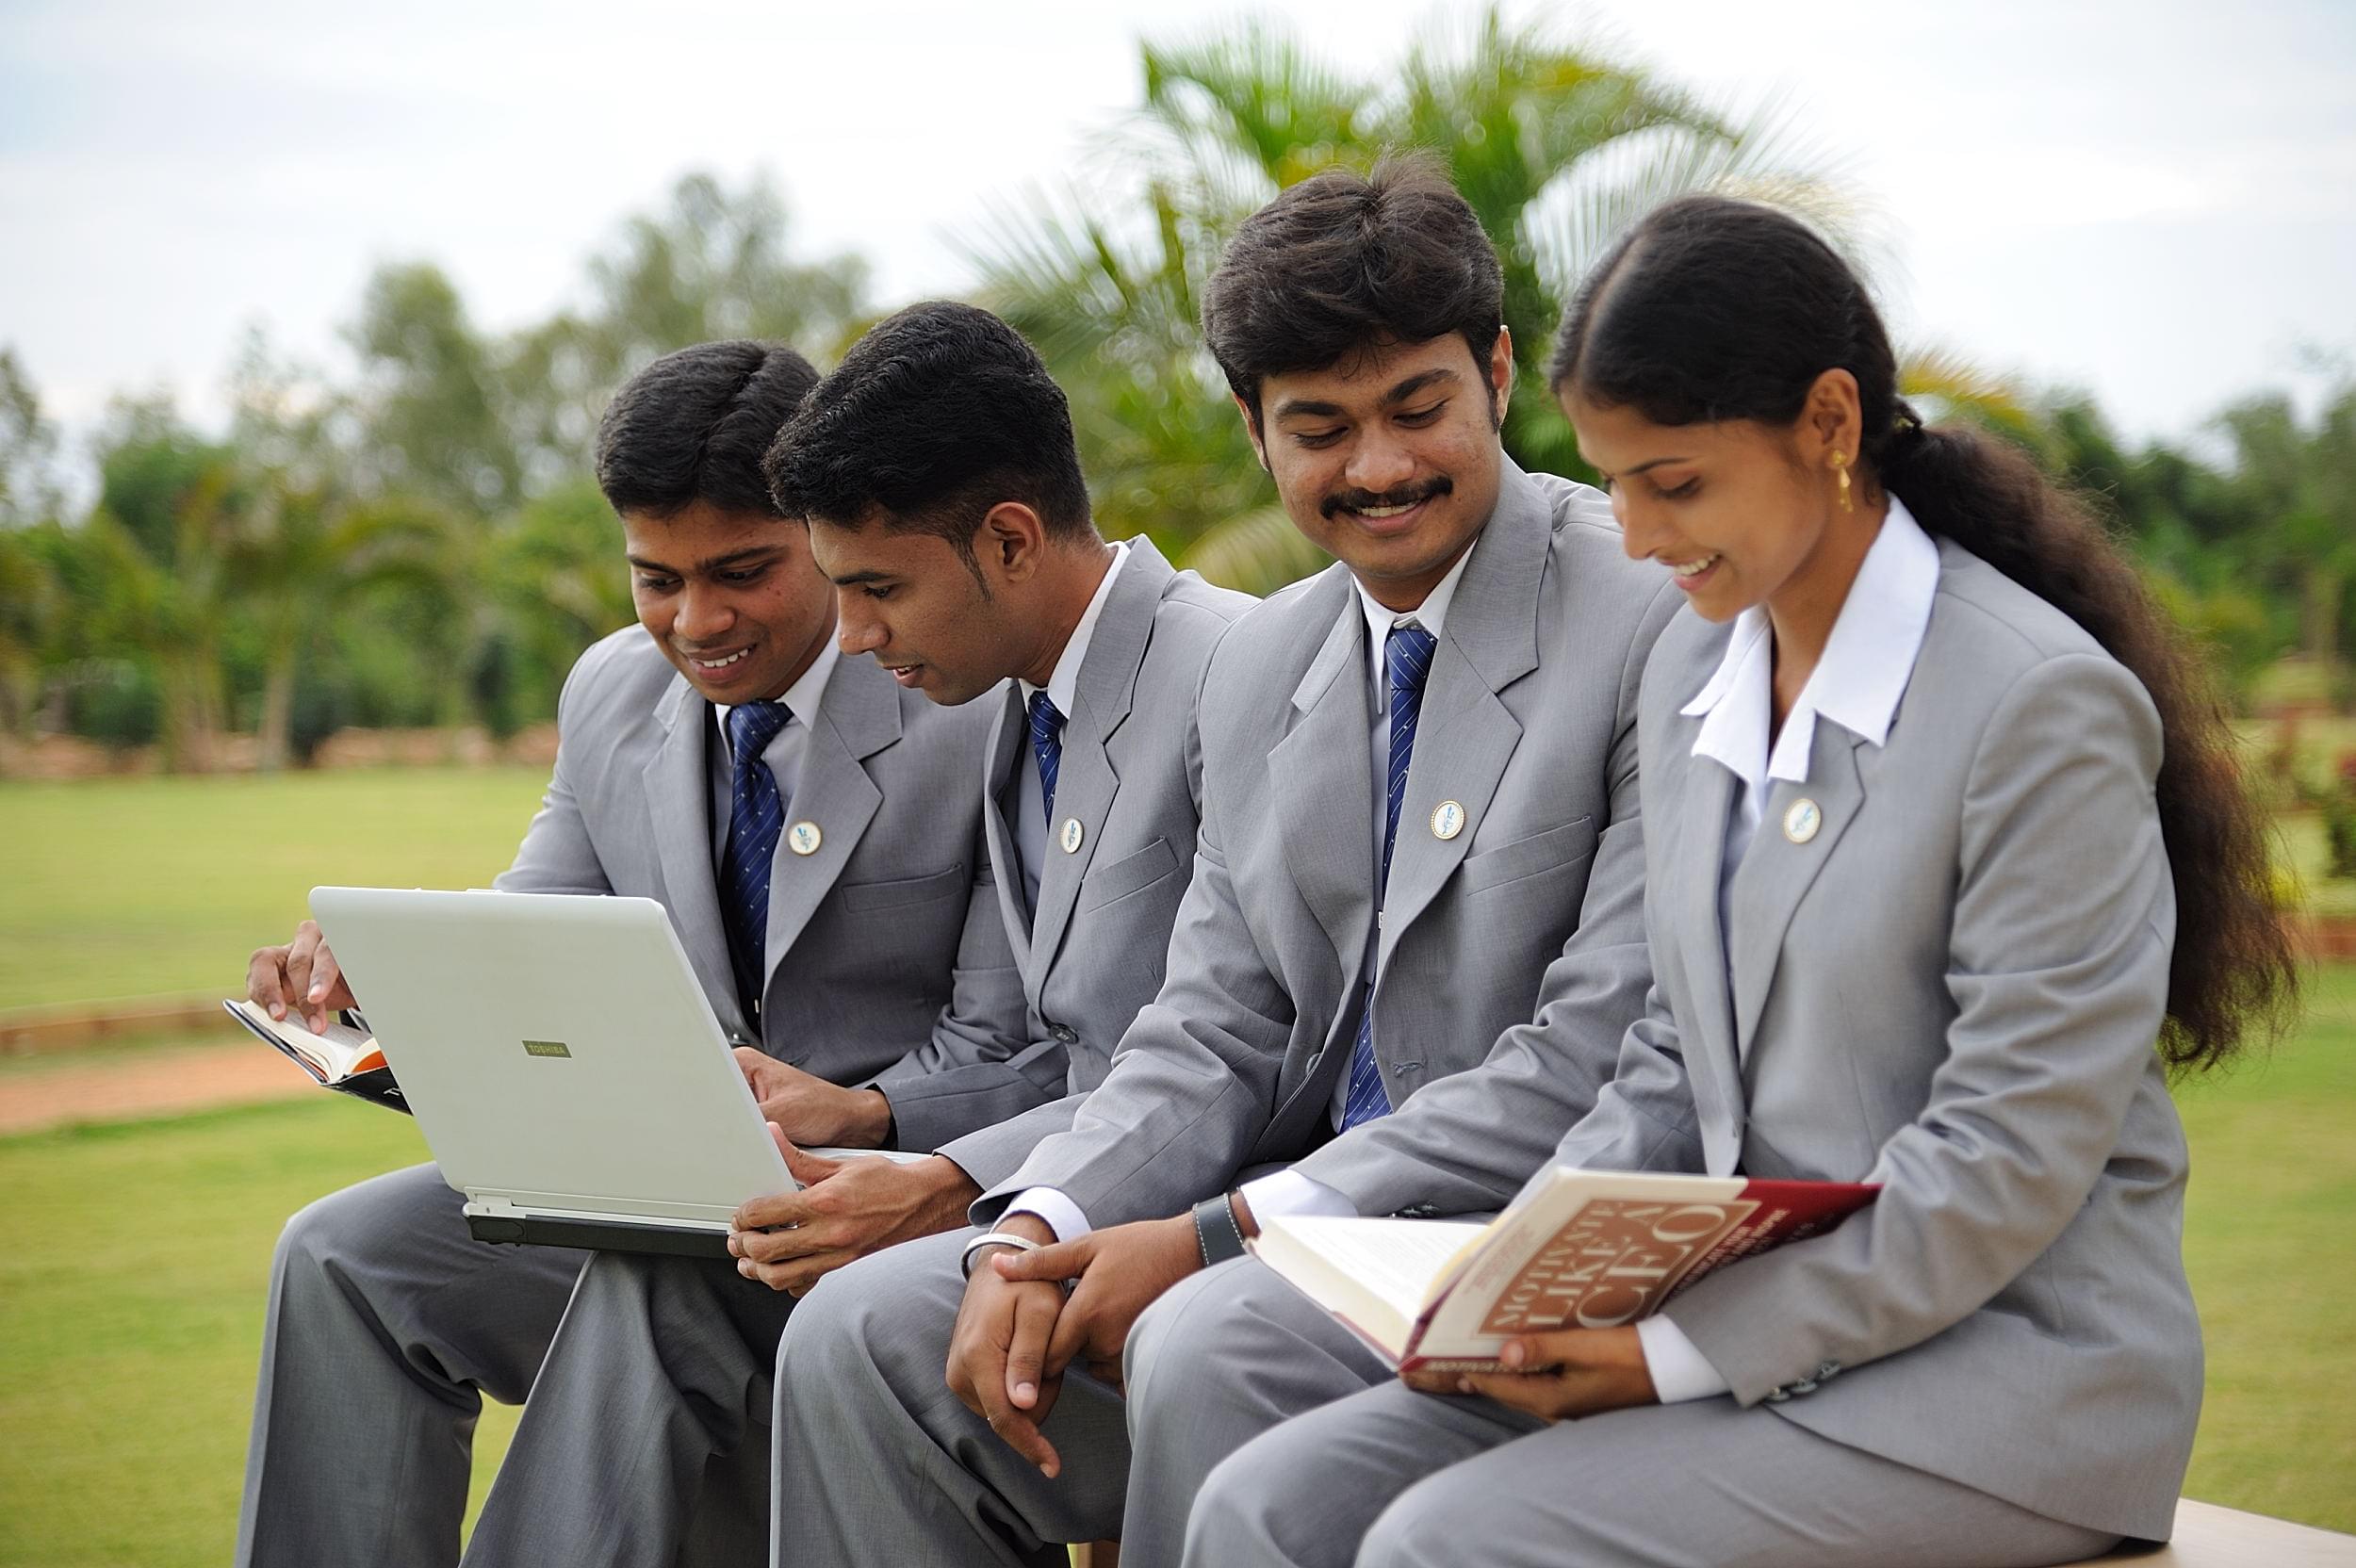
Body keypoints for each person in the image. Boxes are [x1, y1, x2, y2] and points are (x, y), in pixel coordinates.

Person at [1173, 192, 2300, 1568]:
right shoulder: (1705, 663)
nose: (1635, 539)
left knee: (1452, 1544)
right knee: (1258, 1509)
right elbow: (1666, 1058)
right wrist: (1525, 1274)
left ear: (1829, 426)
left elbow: (2004, 1161)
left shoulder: (2036, 708)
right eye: (1615, 481)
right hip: (1728, 1329)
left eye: (1677, 484)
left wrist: (1672, 1352)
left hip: (2000, 1386)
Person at [766, 155, 1682, 1565]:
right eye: (1321, 427)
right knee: (865, 1330)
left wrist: (1213, 1235)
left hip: (1524, 1225)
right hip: (1286, 1228)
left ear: (1499, 373)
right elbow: (1215, 1020)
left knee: (1200, 1332)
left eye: (1417, 408)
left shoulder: (1648, 610)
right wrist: (1040, 1224)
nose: (1377, 467)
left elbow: (1595, 1056)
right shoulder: (1267, 662)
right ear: (1257, 432)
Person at [455, 301, 1252, 1568]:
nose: (860, 636)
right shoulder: (1020, 695)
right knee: (402, 1255)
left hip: (1180, 1227)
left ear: (1004, 540)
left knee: (824, 1322)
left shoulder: (1237, 668)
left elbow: (1226, 1048)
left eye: (874, 590)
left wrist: (945, 1178)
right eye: (657, 580)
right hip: (1021, 1186)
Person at [234, 339, 1034, 1568]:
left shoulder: (965, 692)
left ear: (822, 533)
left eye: (742, 572)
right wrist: (380, 983)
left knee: (658, 1286)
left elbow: (1016, 1041)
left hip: (894, 1211)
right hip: (676, 1194)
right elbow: (533, 935)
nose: (694, 622)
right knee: (340, 1257)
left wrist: (864, 1114)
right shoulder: (611, 688)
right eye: (654, 579)